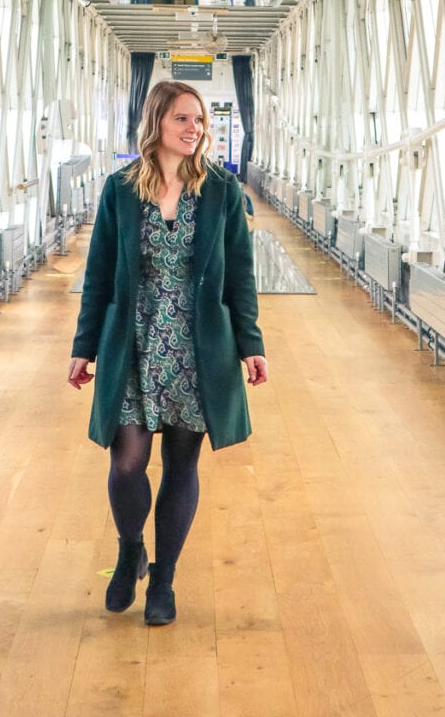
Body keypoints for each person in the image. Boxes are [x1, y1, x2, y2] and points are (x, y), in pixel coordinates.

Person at [67, 80, 267, 626]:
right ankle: (130, 547)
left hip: (198, 348)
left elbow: (240, 277)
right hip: (133, 343)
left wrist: (251, 344)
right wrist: (83, 348)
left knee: (182, 463)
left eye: (198, 121)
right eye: (183, 119)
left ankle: (165, 579)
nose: (194, 129)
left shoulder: (222, 192)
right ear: (156, 122)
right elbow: (99, 275)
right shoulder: (120, 190)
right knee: (127, 461)